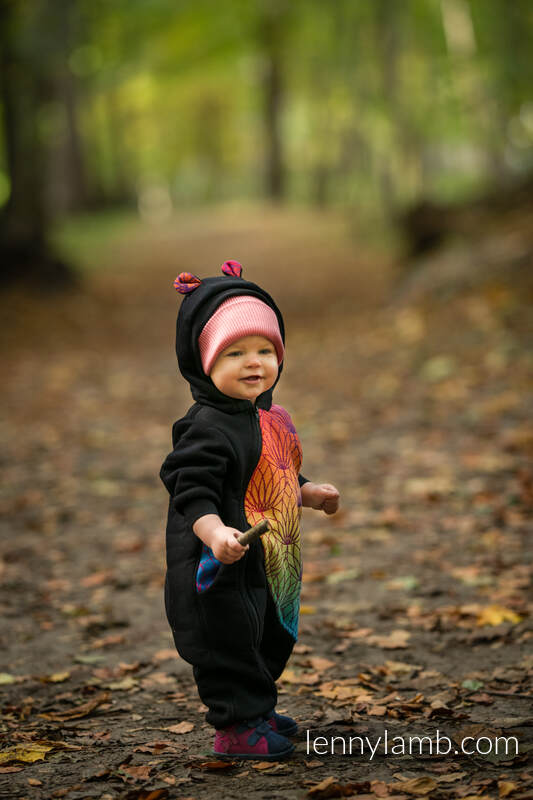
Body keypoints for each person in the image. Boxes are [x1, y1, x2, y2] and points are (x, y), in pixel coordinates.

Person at [160, 260, 340, 760]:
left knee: (263, 631)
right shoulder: (206, 428)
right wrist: (214, 531)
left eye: (265, 349)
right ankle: (235, 726)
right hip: (219, 562)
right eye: (234, 352)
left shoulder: (266, 417)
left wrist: (306, 492)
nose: (254, 361)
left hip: (263, 559)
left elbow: (270, 471)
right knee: (229, 640)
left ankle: (256, 710)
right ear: (203, 362)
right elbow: (188, 488)